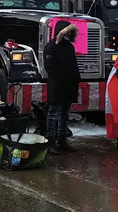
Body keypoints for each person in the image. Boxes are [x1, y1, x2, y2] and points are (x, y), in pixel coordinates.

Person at [44, 20, 80, 155]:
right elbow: (50, 67)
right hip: (57, 85)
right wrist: (62, 79)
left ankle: (62, 138)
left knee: (64, 113)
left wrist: (76, 79)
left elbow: (73, 65)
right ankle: (51, 141)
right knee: (53, 113)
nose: (70, 34)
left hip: (68, 85)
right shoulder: (51, 47)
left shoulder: (69, 47)